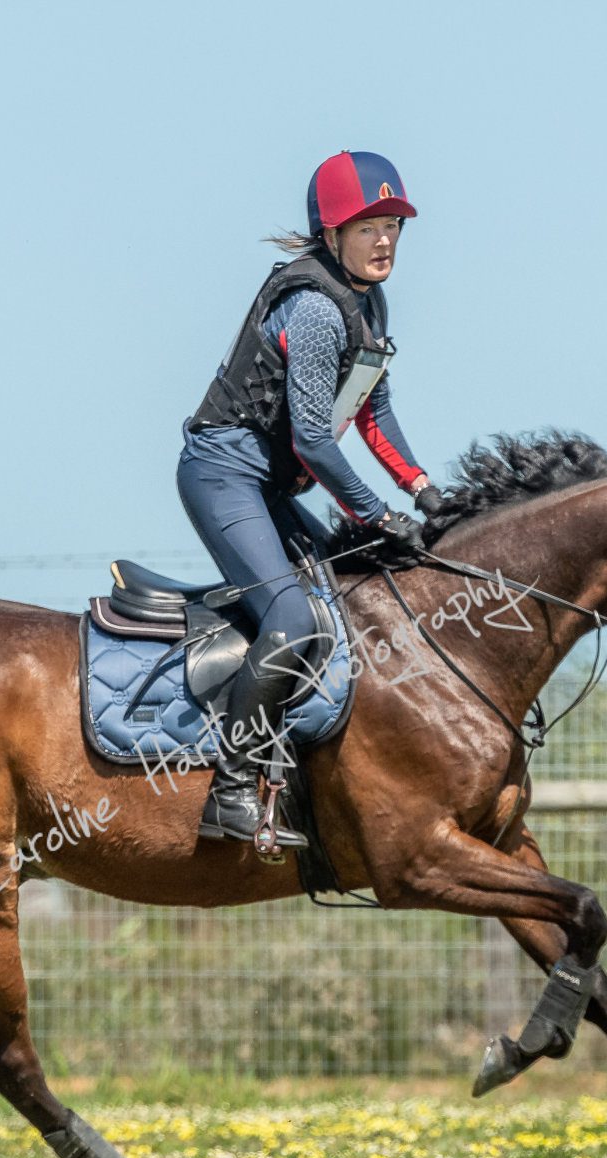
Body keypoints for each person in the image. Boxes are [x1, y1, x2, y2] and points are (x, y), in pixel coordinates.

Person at [178, 149, 445, 847]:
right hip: (223, 475)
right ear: (331, 236)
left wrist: (424, 490)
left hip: (266, 483)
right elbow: (314, 445)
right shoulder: (317, 309)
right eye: (369, 227)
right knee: (295, 622)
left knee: (351, 601)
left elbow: (371, 413)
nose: (385, 240)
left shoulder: (367, 301)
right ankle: (230, 792)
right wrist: (378, 514)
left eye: (393, 225)